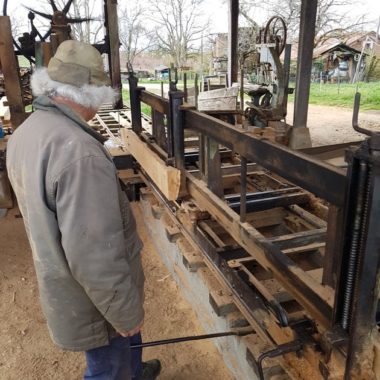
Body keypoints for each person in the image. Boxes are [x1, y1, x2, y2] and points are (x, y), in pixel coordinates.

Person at [6, 40, 161, 380]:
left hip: (64, 278)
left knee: (123, 355)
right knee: (108, 365)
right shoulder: (80, 154)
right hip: (94, 301)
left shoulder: (27, 132)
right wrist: (124, 313)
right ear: (91, 92)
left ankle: (134, 371)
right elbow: (94, 254)